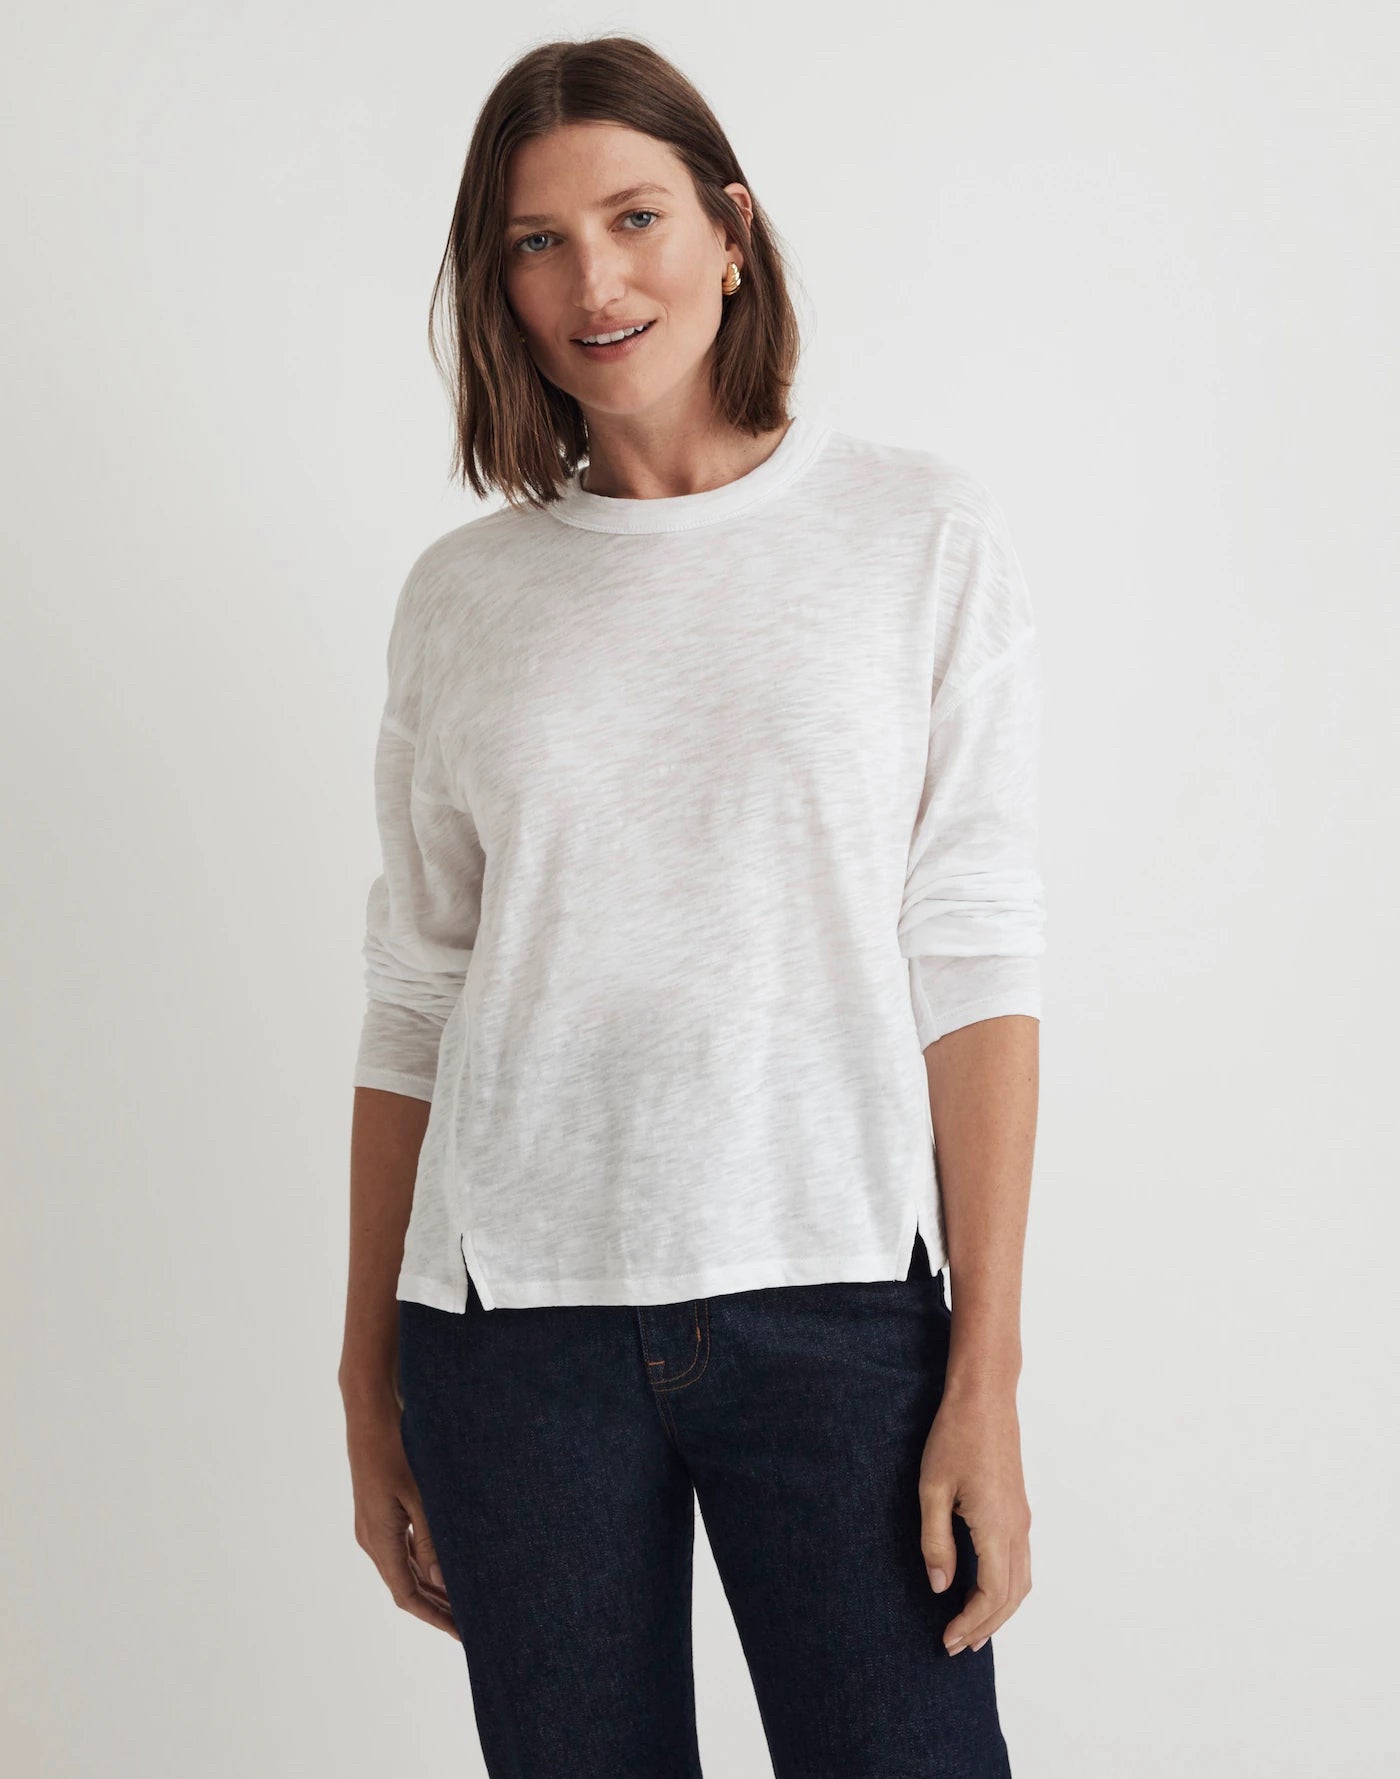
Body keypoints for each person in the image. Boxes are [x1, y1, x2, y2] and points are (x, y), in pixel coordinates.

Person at [339, 33, 1043, 1779]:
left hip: (841, 1311)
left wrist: (985, 1373)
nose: (595, 281)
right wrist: (364, 1382)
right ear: (497, 285)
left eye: (634, 217)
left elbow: (972, 957)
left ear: (730, 230)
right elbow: (416, 992)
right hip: (507, 1335)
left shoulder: (915, 535)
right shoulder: (465, 597)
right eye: (538, 241)